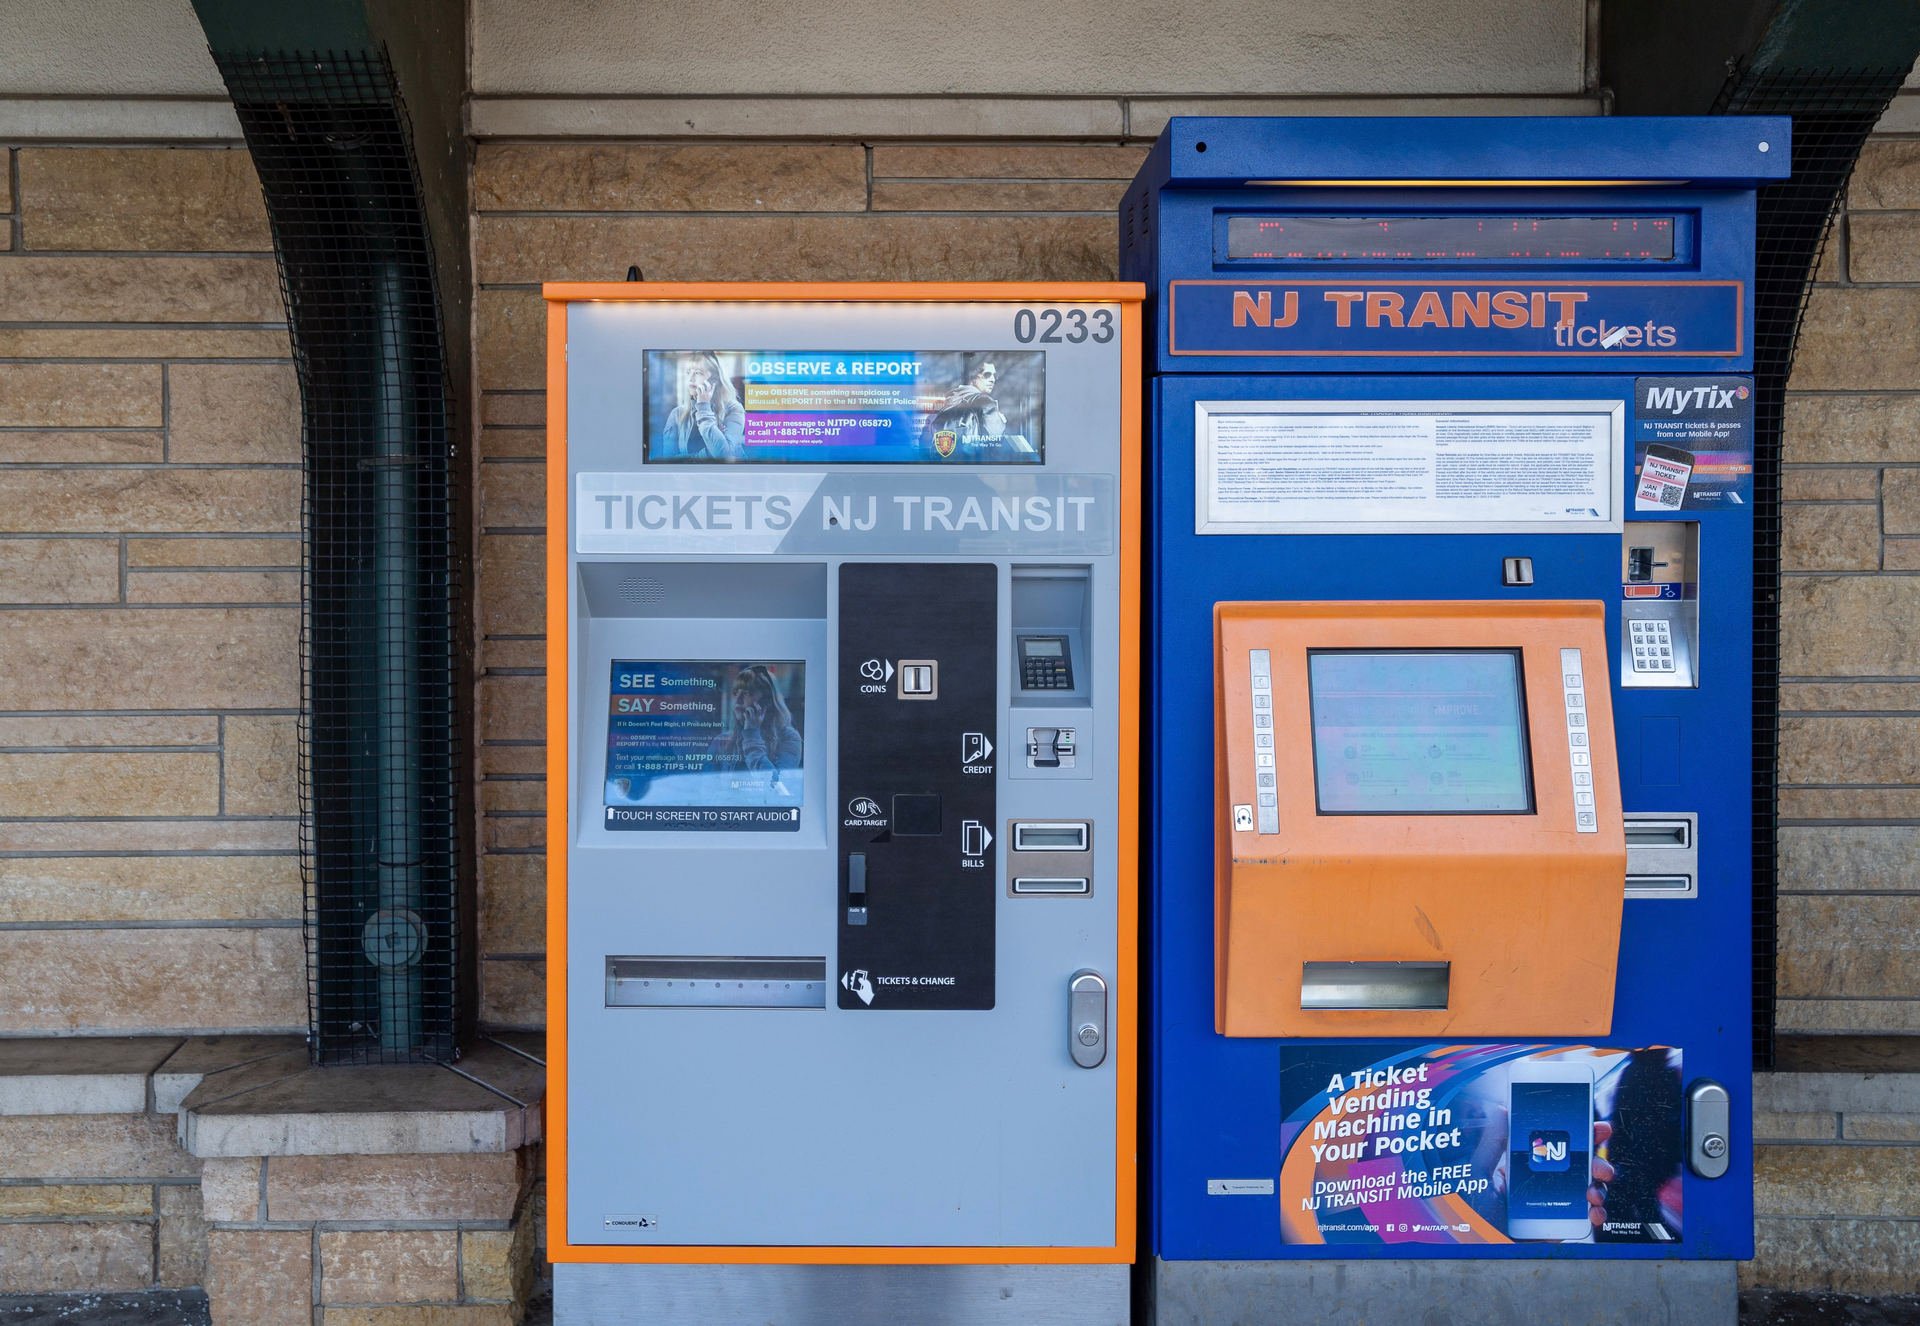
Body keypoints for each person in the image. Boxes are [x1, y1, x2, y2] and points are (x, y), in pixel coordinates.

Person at [921, 354, 1034, 460]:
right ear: (971, 376)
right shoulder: (984, 402)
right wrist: (1001, 421)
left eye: (995, 375)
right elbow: (996, 438)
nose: (992, 380)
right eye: (987, 375)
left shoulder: (951, 403)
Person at [710, 665, 802, 777]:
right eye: (735, 693)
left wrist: (751, 735)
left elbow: (776, 786)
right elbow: (708, 792)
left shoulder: (789, 737)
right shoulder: (721, 742)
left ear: (767, 701)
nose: (738, 701)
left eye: (747, 693)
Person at [656, 353, 746, 459]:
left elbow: (723, 455)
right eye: (688, 372)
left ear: (715, 379)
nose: (691, 378)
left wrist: (703, 407)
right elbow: (668, 459)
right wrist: (707, 454)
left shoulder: (733, 409)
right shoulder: (678, 413)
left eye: (698, 373)